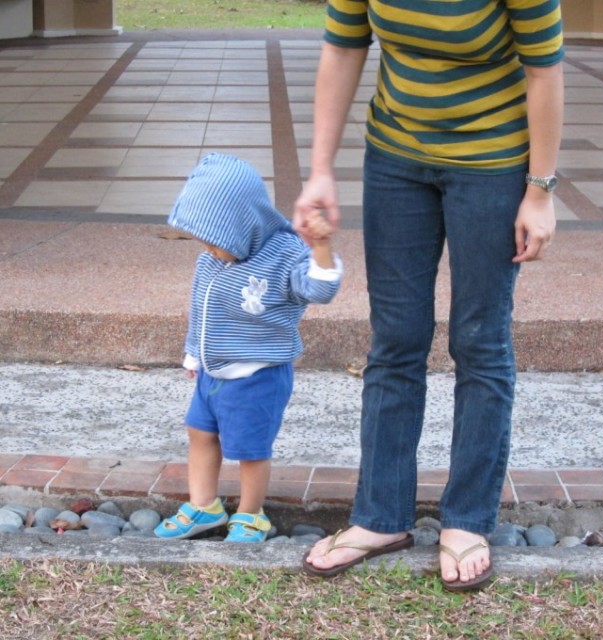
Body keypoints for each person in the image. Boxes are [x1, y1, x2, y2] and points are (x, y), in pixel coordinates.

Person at [294, 1, 564, 589]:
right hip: (395, 160)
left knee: (480, 340)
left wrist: (539, 190)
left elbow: (545, 69)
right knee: (395, 339)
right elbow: (343, 48)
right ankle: (380, 517)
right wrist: (319, 170)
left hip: (492, 165)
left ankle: (466, 520)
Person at [155, 152, 342, 543]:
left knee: (250, 449)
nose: (209, 250)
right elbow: (201, 309)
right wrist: (194, 352)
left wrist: (321, 247)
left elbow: (320, 289)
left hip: (257, 376)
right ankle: (205, 505)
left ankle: (251, 514)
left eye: (215, 241)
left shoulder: (285, 256)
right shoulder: (212, 262)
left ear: (240, 224)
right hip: (212, 373)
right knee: (199, 433)